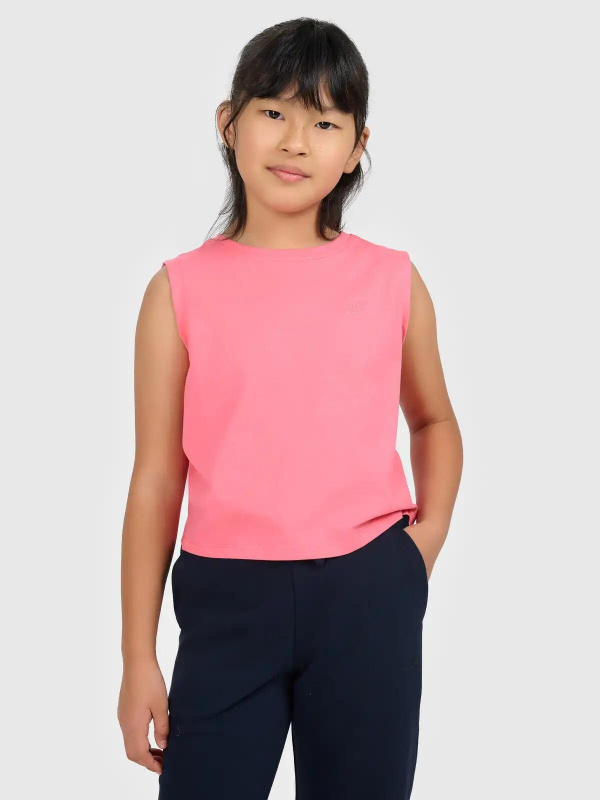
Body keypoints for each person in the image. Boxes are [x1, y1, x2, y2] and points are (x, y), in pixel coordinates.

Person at [117, 16, 462, 800]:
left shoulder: (392, 280)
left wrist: (425, 542)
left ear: (357, 146)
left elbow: (435, 420)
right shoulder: (178, 290)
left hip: (368, 590)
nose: (296, 142)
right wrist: (139, 657)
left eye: (325, 123)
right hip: (226, 601)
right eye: (273, 111)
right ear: (228, 123)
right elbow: (156, 477)